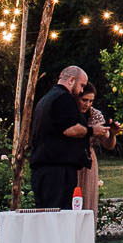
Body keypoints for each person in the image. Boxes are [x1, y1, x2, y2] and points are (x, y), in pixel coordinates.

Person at [29, 66, 93, 211]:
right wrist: (93, 131)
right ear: (71, 80)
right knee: (59, 216)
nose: (82, 90)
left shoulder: (46, 99)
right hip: (57, 172)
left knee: (46, 215)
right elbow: (70, 129)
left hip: (42, 169)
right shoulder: (64, 98)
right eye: (81, 85)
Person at [76, 84, 118, 212]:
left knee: (88, 200)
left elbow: (108, 145)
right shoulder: (70, 112)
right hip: (70, 157)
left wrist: (113, 134)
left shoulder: (95, 114)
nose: (87, 104)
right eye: (84, 100)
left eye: (91, 101)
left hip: (88, 160)